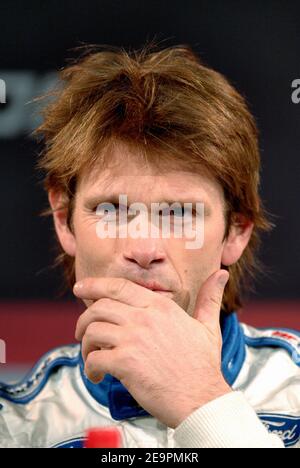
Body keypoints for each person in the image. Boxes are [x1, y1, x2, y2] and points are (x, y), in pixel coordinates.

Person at [0, 44, 299, 448]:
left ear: (236, 230)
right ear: (63, 219)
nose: (144, 246)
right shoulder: (15, 427)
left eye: (179, 213)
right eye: (110, 210)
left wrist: (202, 402)